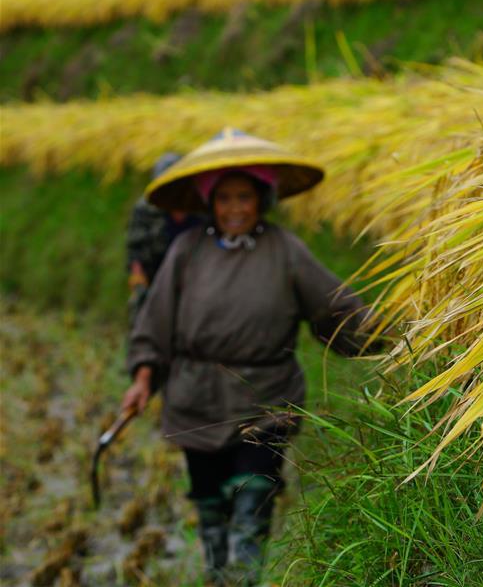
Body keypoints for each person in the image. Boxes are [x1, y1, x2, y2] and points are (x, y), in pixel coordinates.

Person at [119, 129, 382, 585]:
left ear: (262, 199)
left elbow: (332, 305)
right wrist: (143, 379)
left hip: (266, 399)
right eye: (225, 199)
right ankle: (217, 575)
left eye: (245, 197)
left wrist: (386, 330)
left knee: (251, 501)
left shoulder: (284, 249)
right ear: (210, 204)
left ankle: (242, 578)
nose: (235, 209)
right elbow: (155, 323)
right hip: (196, 398)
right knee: (211, 507)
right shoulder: (186, 251)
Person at [125, 152, 203, 328]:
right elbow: (136, 250)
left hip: (195, 278)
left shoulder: (201, 208)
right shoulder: (146, 209)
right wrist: (139, 281)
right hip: (156, 275)